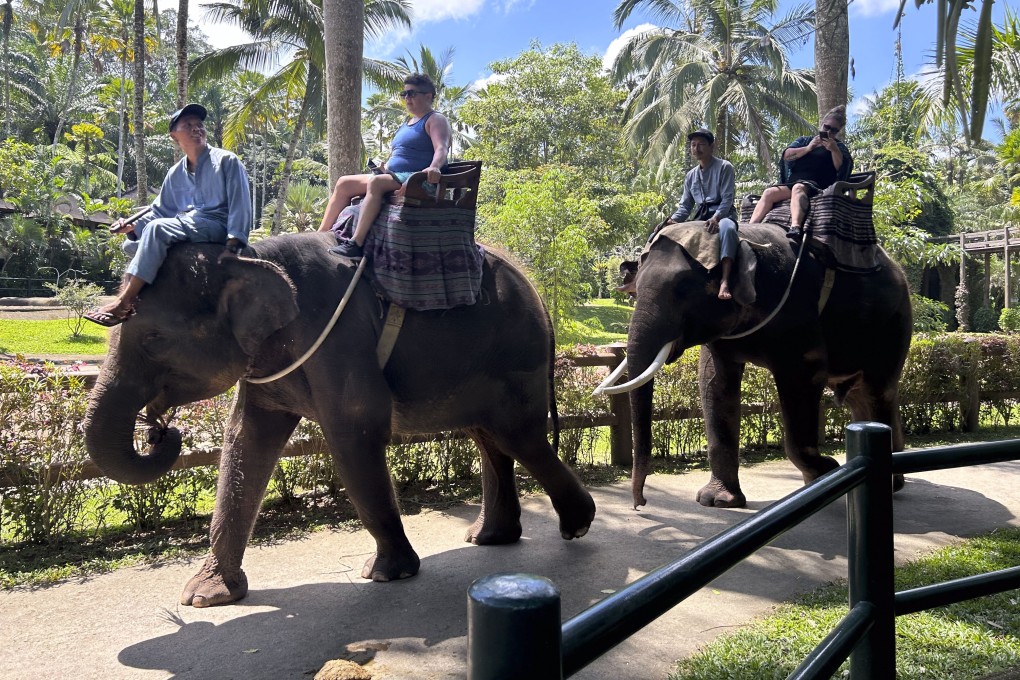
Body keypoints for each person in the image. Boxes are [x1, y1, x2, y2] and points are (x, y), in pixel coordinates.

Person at [85, 103, 252, 327]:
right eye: (189, 125)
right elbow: (161, 211)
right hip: (192, 224)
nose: (196, 129)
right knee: (131, 246)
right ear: (174, 136)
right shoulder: (175, 173)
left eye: (199, 124)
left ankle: (125, 301)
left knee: (157, 229)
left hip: (218, 225)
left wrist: (234, 245)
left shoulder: (226, 161)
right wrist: (133, 228)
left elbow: (241, 204)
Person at [320, 73, 452, 257]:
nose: (407, 98)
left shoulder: (435, 119)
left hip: (418, 178)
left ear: (428, 96)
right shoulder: (406, 124)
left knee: (376, 183)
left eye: (412, 93)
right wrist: (385, 168)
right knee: (343, 183)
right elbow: (401, 154)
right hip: (394, 176)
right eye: (404, 94)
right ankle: (321, 234)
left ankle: (356, 244)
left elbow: (441, 148)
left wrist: (435, 167)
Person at [749, 105, 853, 236]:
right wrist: (808, 148)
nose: (829, 132)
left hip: (817, 186)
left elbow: (841, 168)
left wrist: (834, 150)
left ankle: (795, 226)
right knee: (769, 192)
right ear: (821, 124)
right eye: (827, 127)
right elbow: (787, 156)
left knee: (798, 188)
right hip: (792, 183)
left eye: (834, 131)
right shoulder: (804, 141)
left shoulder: (839, 147)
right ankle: (751, 227)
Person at [663, 128, 739, 301]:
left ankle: (725, 280)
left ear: (711, 147)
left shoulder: (725, 167)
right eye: (693, 145)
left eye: (701, 145)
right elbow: (685, 206)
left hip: (723, 214)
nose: (696, 149)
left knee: (727, 229)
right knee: (664, 233)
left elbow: (727, 200)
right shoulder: (690, 175)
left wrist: (717, 218)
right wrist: (673, 220)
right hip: (701, 217)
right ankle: (639, 273)